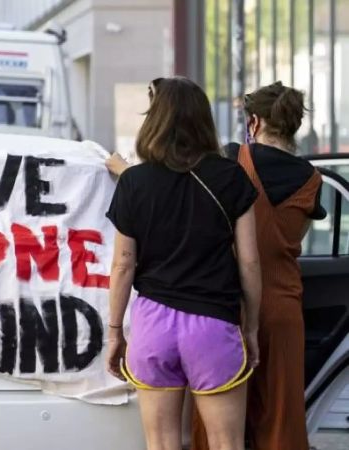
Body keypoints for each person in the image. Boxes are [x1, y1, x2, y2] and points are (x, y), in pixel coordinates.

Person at [105, 77, 262, 450]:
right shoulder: (231, 178)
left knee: (161, 442)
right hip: (213, 325)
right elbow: (250, 263)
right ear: (202, 121)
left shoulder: (134, 183)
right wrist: (252, 328)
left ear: (154, 121)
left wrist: (114, 332)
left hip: (152, 325)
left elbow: (123, 266)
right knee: (226, 443)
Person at [191, 82, 324, 450]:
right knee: (281, 418)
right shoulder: (312, 179)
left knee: (218, 423)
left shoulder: (232, 159)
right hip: (283, 308)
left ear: (253, 122)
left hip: (228, 304)